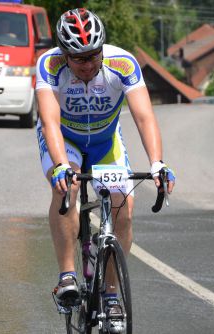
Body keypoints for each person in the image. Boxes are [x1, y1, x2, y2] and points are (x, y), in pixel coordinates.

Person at [35, 9, 176, 314]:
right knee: (66, 189)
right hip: (65, 139)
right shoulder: (50, 64)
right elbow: (49, 120)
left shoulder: (122, 63)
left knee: (123, 206)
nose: (88, 64)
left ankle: (111, 293)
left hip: (105, 141)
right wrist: (60, 165)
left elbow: (143, 116)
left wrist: (157, 163)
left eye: (93, 56)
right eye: (79, 58)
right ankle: (68, 277)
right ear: (65, 54)